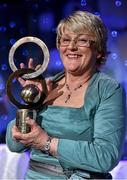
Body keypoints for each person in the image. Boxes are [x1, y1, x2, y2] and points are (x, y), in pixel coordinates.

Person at [6, 10, 126, 179]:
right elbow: (14, 145)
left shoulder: (108, 90)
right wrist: (31, 104)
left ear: (99, 50)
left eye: (82, 40)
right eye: (66, 40)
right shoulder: (47, 86)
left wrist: (46, 142)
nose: (71, 47)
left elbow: (105, 156)